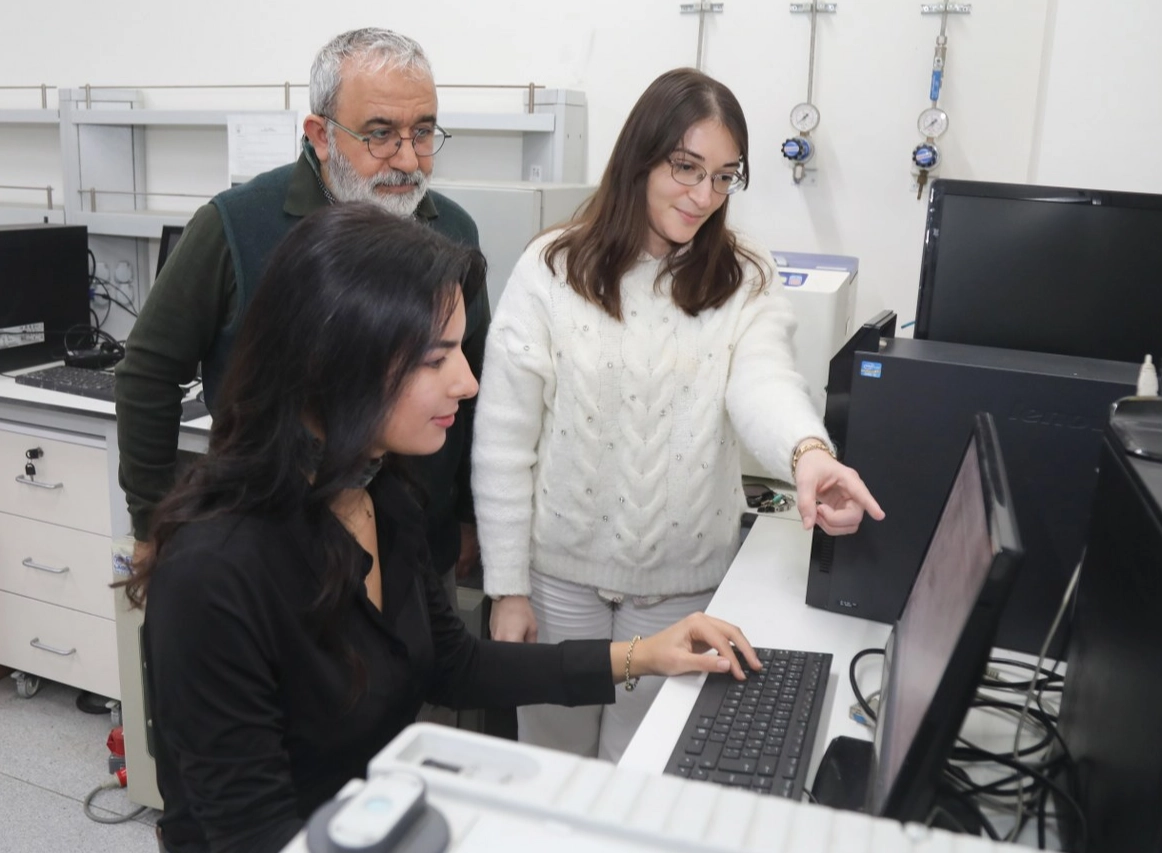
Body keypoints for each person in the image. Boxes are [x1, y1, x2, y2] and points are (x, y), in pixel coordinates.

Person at [126, 203, 760, 853]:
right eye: (437, 358)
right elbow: (256, 835)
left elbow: (453, 666)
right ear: (336, 362)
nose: (468, 381)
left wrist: (644, 654)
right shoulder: (215, 572)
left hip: (378, 823)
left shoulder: (379, 492)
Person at [473, 68, 885, 762]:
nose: (703, 196)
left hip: (680, 587)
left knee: (645, 769)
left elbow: (763, 382)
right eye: (686, 168)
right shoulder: (551, 267)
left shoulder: (743, 276)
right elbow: (504, 441)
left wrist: (808, 452)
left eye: (725, 177)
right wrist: (507, 588)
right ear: (640, 156)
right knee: (550, 766)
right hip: (558, 582)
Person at [114, 27, 487, 592]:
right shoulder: (236, 226)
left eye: (424, 132)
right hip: (273, 550)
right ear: (320, 135)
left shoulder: (452, 231)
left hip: (411, 543)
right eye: (381, 135)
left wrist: (466, 516)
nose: (408, 159)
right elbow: (148, 374)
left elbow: (471, 378)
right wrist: (151, 522)